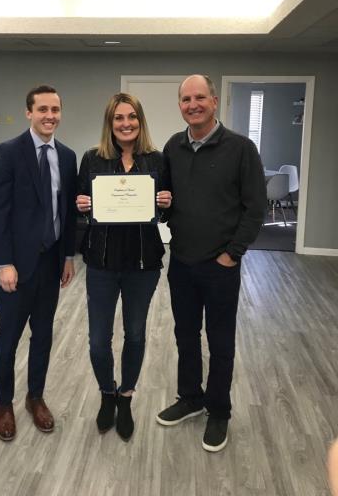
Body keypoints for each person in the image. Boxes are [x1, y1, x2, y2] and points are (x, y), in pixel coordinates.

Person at [156, 74, 266, 453]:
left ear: (214, 101)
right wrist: (160, 206)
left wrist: (232, 254)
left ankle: (218, 410)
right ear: (180, 105)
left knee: (220, 342)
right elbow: (166, 201)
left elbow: (256, 208)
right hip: (181, 262)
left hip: (221, 266)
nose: (193, 105)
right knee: (185, 335)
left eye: (200, 97)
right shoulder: (172, 147)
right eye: (186, 99)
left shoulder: (241, 148)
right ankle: (190, 397)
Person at [0, 85, 77, 441]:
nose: (50, 116)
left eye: (55, 109)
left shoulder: (66, 156)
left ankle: (35, 397)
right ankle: (3, 404)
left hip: (51, 264)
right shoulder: (8, 152)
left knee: (43, 336)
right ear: (29, 112)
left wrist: (68, 255)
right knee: (8, 338)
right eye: (42, 109)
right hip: (15, 267)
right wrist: (4, 261)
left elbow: (66, 213)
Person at [76, 93, 171, 441]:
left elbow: (166, 213)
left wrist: (166, 202)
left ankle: (126, 397)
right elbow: (80, 208)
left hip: (142, 266)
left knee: (135, 335)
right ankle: (107, 393)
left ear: (140, 121)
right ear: (110, 123)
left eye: (132, 117)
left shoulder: (157, 160)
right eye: (119, 118)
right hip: (101, 264)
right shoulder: (92, 159)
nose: (126, 123)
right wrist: (81, 205)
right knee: (98, 341)